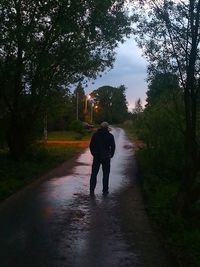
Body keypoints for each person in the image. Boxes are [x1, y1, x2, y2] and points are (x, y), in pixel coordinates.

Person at [89, 121, 115, 196]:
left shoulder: (95, 135)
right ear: (107, 128)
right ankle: (105, 191)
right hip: (106, 157)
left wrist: (93, 153)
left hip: (97, 157)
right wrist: (111, 155)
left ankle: (91, 190)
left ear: (100, 127)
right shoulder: (110, 136)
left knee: (94, 174)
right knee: (106, 175)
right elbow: (113, 147)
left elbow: (91, 146)